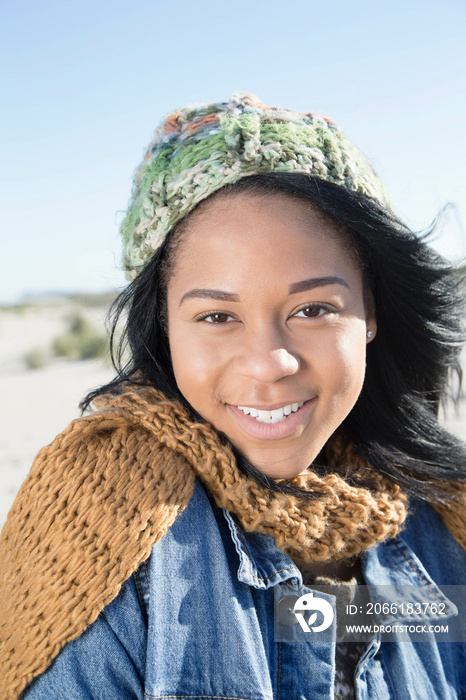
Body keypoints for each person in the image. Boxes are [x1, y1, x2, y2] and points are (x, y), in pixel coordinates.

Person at [1, 93, 466, 700]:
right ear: (163, 327)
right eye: (218, 316)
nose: (269, 364)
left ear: (370, 311)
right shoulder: (105, 515)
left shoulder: (437, 511)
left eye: (313, 309)